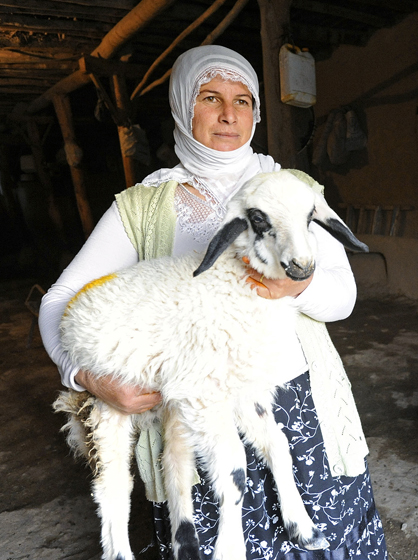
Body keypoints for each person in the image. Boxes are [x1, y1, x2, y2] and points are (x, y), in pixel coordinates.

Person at [39, 45, 387, 560]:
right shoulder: (142, 206)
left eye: (242, 100)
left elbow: (345, 296)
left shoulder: (292, 189)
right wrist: (86, 377)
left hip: (293, 403)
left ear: (256, 113)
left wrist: (297, 287)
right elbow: (60, 299)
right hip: (191, 408)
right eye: (210, 97)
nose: (229, 114)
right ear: (183, 108)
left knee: (323, 537)